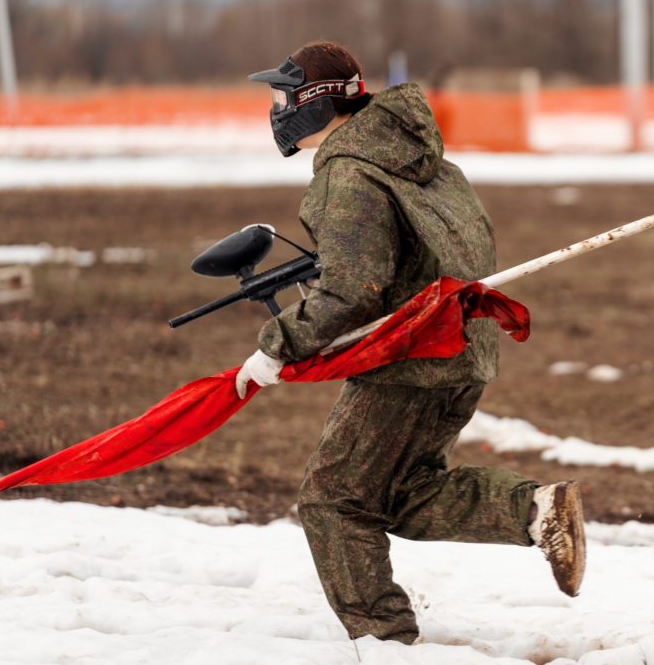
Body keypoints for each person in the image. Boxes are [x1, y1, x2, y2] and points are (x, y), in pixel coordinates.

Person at [239, 41, 586, 646]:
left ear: (318, 101)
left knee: (334, 503)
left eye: (284, 95)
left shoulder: (348, 175)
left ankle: (384, 643)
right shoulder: (413, 155)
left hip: (411, 360)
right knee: (401, 492)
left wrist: (277, 346)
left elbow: (352, 294)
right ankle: (538, 511)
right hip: (461, 349)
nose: (278, 106)